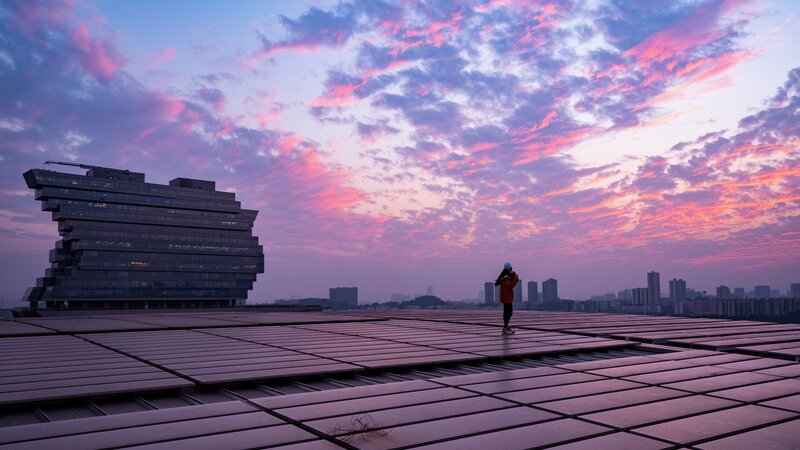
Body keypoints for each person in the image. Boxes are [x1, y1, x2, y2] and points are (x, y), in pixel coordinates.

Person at [495, 262, 519, 335]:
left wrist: (513, 275)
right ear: (508, 269)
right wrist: (516, 276)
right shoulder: (505, 279)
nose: (511, 270)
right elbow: (511, 285)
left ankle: (506, 327)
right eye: (511, 269)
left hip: (507, 298)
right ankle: (505, 327)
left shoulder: (505, 277)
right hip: (506, 298)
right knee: (508, 313)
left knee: (508, 313)